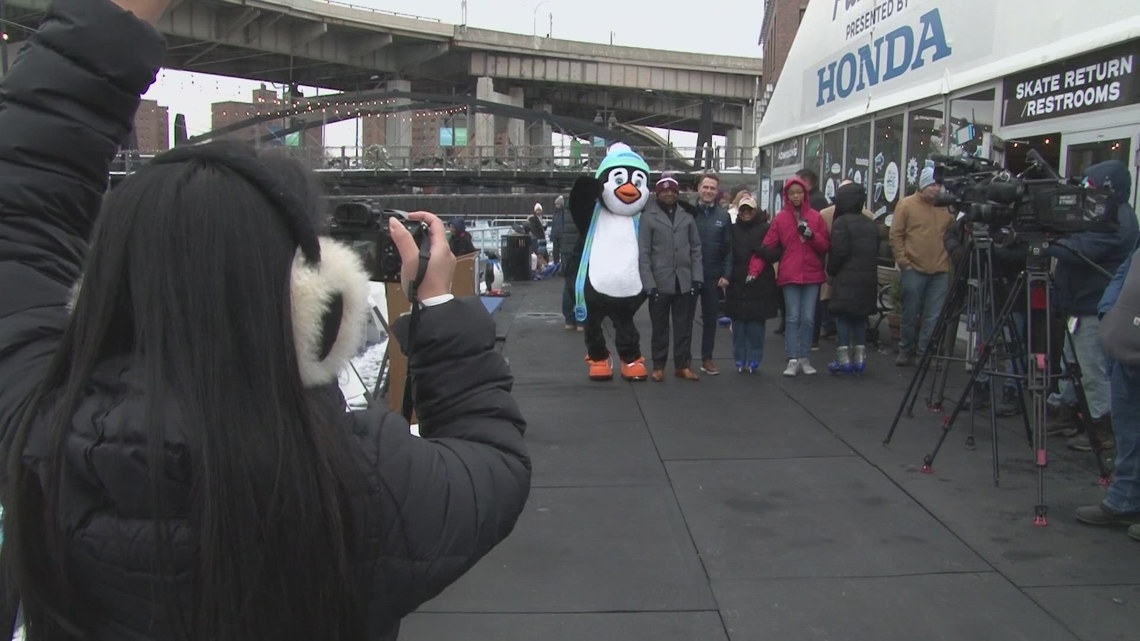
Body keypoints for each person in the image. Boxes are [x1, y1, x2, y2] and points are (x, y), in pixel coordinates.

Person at [0, 2, 531, 640]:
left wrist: (104, 30)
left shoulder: (39, 430)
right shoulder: (367, 481)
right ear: (316, 303)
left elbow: (19, 218)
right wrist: (439, 305)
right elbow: (493, 459)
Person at [1045, 160, 1139, 451]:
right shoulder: (1099, 212)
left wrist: (1048, 238)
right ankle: (1065, 412)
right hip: (1078, 302)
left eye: (1091, 186)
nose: (1085, 191)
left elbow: (1081, 250)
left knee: (1091, 369)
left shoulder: (1118, 220)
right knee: (1071, 363)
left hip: (1091, 303)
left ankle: (1102, 427)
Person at [1077, 244, 1140, 540]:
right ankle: (1124, 501)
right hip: (1127, 347)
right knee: (1128, 431)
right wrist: (1108, 313)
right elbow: (1125, 271)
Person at [638, 175, 703, 381]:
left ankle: (683, 365)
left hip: (684, 280)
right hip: (659, 280)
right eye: (664, 191)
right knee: (659, 327)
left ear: (677, 193)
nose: (669, 194)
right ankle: (658, 366)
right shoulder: (648, 216)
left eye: (673, 191)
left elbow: (696, 248)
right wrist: (649, 284)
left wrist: (697, 278)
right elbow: (644, 253)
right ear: (658, 193)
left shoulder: (687, 216)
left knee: (684, 327)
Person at [764, 176, 831, 376]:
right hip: (790, 273)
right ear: (787, 195)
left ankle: (805, 357)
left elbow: (825, 245)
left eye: (799, 192)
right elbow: (769, 243)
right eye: (792, 193)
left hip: (812, 273)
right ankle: (793, 358)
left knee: (808, 318)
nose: (795, 196)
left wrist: (812, 235)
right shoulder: (781, 218)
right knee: (793, 317)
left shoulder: (815, 217)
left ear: (805, 194)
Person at [889, 166, 955, 366]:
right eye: (932, 184)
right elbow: (896, 235)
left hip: (941, 269)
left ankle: (924, 353)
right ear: (923, 185)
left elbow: (952, 235)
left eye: (938, 185)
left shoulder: (946, 207)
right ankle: (906, 349)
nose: (936, 189)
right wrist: (903, 262)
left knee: (933, 316)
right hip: (914, 268)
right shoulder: (906, 205)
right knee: (911, 311)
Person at [825, 182, 879, 374]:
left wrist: (830, 272)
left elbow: (838, 252)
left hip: (846, 278)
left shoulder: (841, 223)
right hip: (867, 278)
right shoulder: (870, 224)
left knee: (843, 317)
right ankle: (860, 357)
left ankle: (843, 358)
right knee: (859, 317)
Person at [726, 197, 781, 373]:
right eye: (743, 209)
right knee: (739, 326)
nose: (746, 212)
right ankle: (740, 358)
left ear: (755, 211)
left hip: (760, 283)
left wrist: (762, 251)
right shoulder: (732, 230)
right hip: (737, 282)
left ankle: (755, 358)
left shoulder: (766, 229)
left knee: (756, 325)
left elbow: (777, 252)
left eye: (749, 209)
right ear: (739, 211)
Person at [691, 171, 733, 375]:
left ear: (717, 192)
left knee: (710, 320)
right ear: (699, 188)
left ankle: (707, 358)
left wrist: (726, 274)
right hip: (689, 275)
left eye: (712, 188)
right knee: (684, 319)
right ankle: (683, 360)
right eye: (705, 187)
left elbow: (728, 248)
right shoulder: (688, 213)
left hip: (712, 275)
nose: (708, 191)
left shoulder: (723, 216)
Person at [550, 194, 566, 265]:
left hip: (561, 234)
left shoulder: (564, 213)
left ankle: (562, 263)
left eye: (558, 204)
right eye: (556, 204)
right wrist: (552, 234)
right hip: (556, 234)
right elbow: (553, 224)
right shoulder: (555, 213)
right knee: (555, 250)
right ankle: (556, 263)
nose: (557, 205)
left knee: (562, 250)